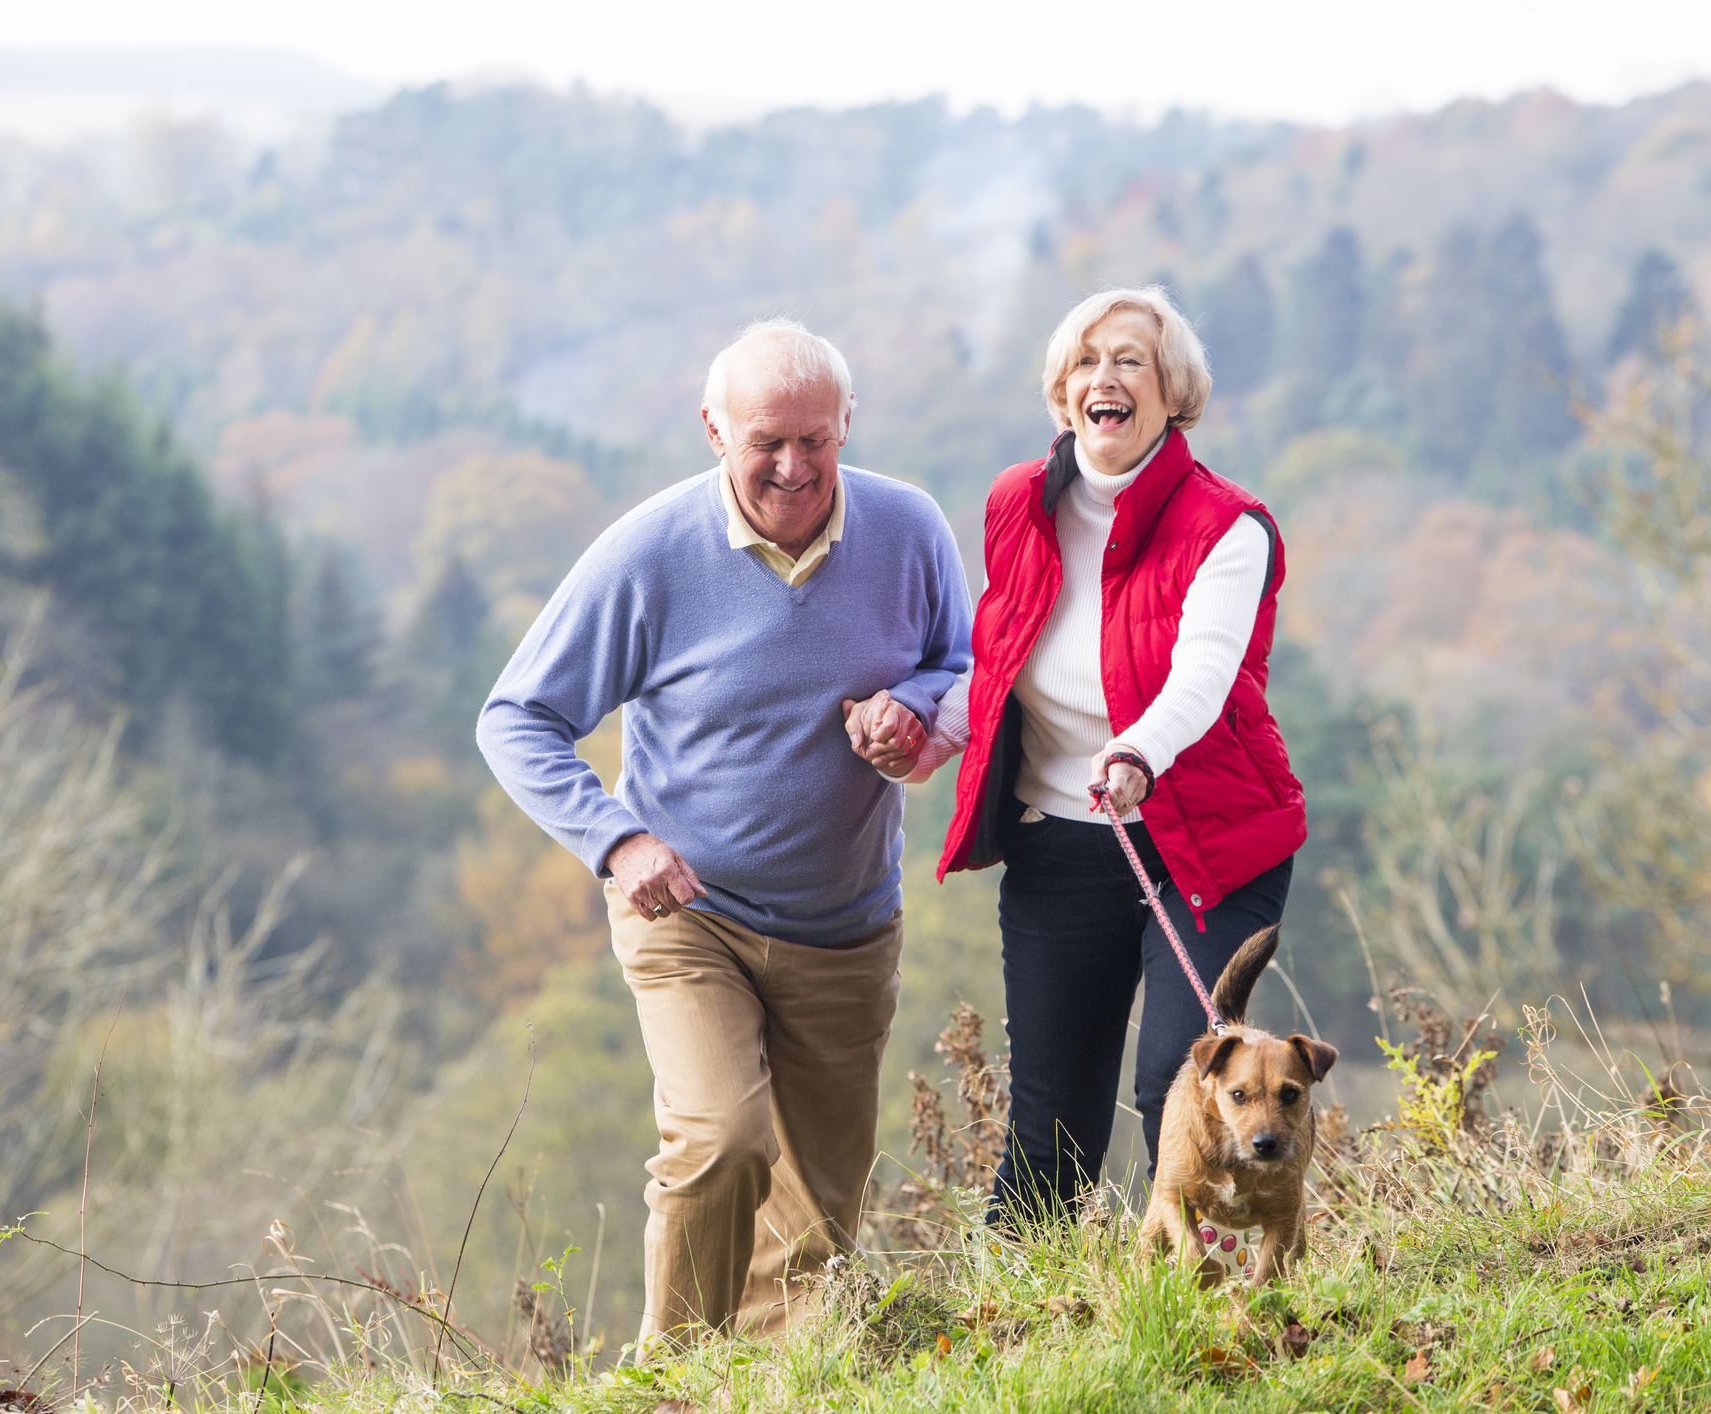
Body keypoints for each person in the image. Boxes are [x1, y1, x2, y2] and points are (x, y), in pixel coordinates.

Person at [476, 319, 972, 1341]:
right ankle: (674, 1379)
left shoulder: (910, 528)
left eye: (814, 439)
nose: (793, 466)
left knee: (818, 1224)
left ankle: (766, 1383)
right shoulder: (650, 552)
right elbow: (515, 718)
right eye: (765, 442)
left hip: (846, 925)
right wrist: (617, 841)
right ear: (714, 431)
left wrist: (914, 708)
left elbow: (962, 666)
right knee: (721, 1140)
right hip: (689, 912)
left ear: (848, 423)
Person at [861, 286, 1307, 1224]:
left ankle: (1205, 1286)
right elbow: (1004, 653)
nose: (1104, 377)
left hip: (1205, 844)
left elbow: (1203, 676)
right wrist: (929, 734)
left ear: (1172, 391)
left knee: (1180, 1085)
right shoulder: (1017, 501)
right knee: (1050, 1123)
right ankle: (1020, 1302)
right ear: (1062, 391)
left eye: (1130, 360)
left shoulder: (1230, 528)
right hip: (1059, 843)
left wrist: (1137, 750)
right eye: (1085, 361)